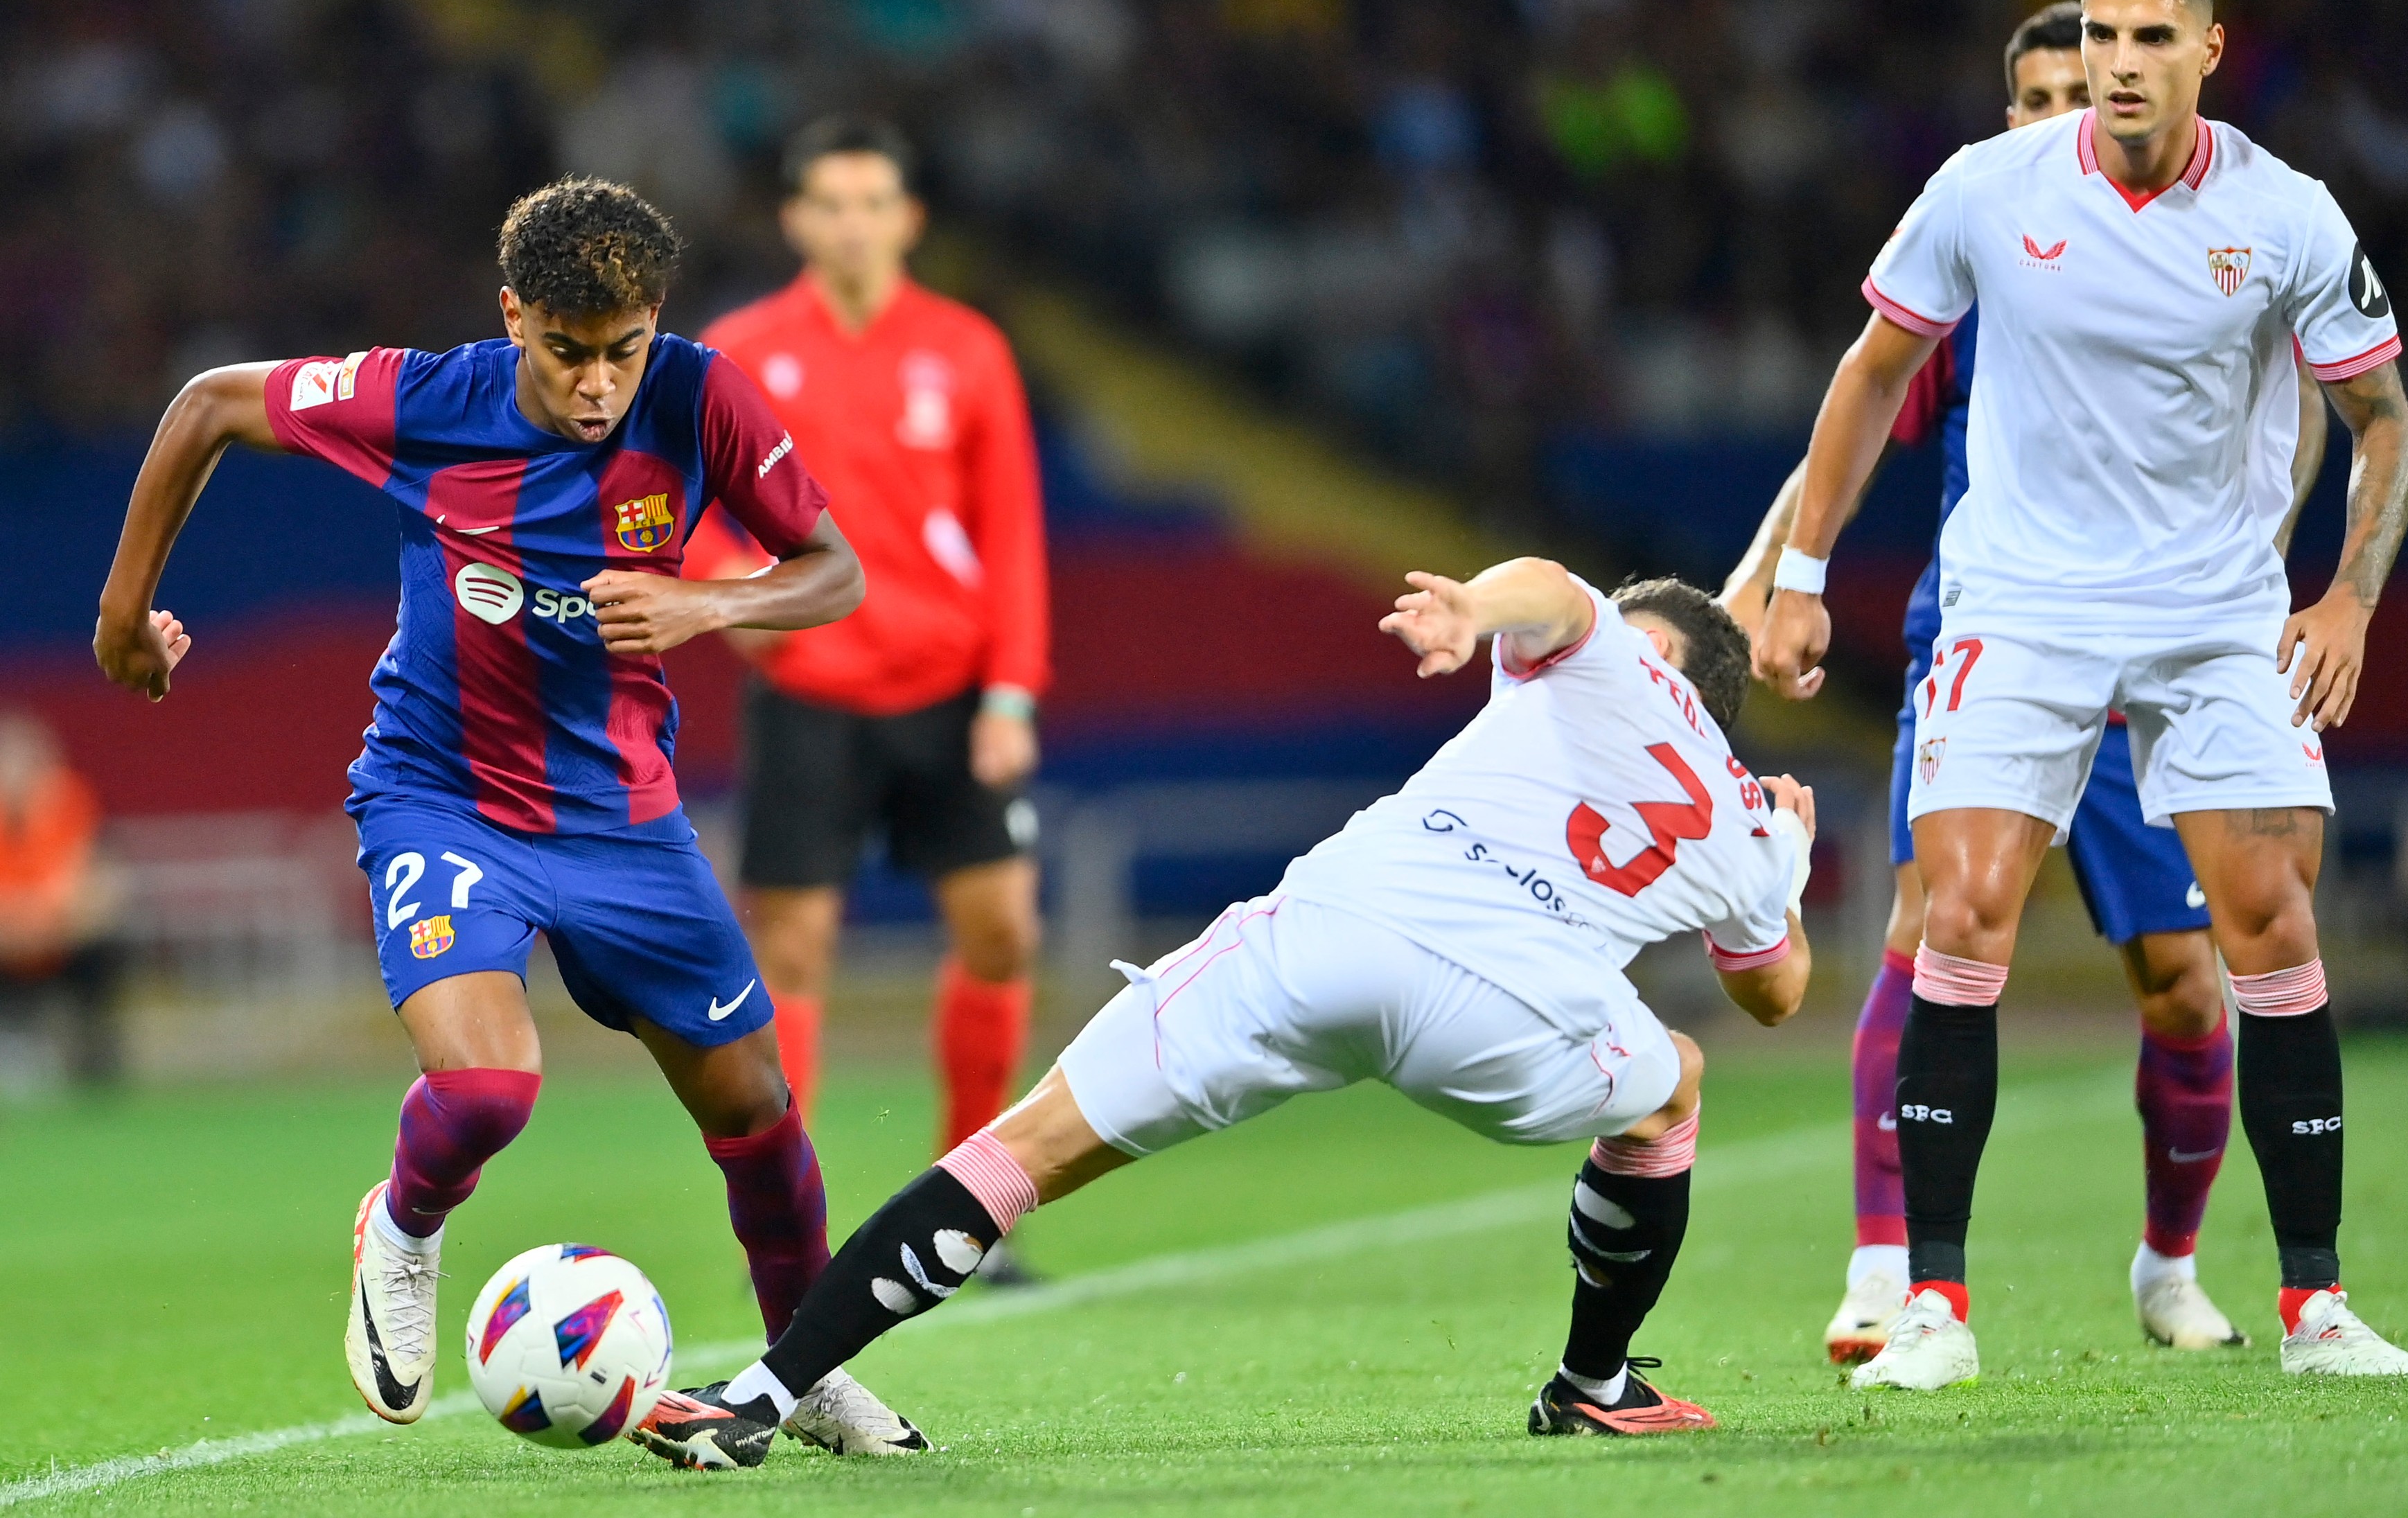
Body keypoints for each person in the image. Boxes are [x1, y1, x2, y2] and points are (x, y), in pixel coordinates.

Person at [625, 560, 1820, 1468]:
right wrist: (1790, 865)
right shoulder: (1746, 819)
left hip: (1329, 936)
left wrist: (1468, 603)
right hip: (1510, 1026)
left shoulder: (1594, 651)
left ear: (1642, 644)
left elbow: (1553, 593)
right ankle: (1593, 1380)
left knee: (1022, 1150)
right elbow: (1771, 992)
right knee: (1672, 1078)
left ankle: (759, 1401)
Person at [91, 177, 935, 1454]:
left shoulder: (702, 397)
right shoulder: (430, 398)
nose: (599, 384)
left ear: (655, 324)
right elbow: (206, 402)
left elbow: (835, 570)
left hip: (622, 821)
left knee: (756, 1112)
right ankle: (404, 1226)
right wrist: (120, 617)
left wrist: (710, 603)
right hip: (442, 798)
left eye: (622, 351)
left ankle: (802, 1372)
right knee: (487, 1087)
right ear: (513, 316)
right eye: (567, 351)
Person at [1752, 0, 2408, 1388]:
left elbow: (2381, 420)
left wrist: (2347, 597)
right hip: (2021, 606)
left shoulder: (2286, 214)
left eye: (2146, 40)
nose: (2117, 66)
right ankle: (1930, 1302)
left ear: (2205, 51)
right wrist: (1800, 574)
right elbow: (1870, 374)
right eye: (2100, 38)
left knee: (2265, 937)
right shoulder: (1983, 191)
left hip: (2212, 614)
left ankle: (2311, 1303)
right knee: (1962, 917)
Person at [683, 116, 1050, 1282]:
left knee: (1002, 932)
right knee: (790, 953)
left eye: (872, 201)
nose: (852, 222)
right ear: (795, 219)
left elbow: (1013, 534)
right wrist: (735, 606)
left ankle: (969, 1207)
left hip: (950, 694)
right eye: (829, 202)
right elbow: (681, 518)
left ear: (908, 217)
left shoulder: (967, 348)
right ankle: (791, 1226)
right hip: (812, 696)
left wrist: (1011, 695)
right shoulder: (737, 351)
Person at [0, 713, 123, 1084]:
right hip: (8, 940)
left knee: (104, 949)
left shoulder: (71, 803)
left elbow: (91, 880)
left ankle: (96, 1066)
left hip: (63, 938)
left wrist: (51, 921)